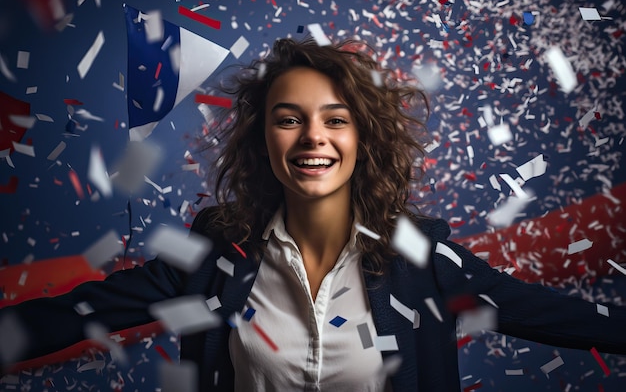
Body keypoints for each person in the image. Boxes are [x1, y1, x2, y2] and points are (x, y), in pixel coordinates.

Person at [1, 36, 625, 392]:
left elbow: (558, 316)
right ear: (263, 139)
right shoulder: (214, 256)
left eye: (335, 119)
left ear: (363, 138)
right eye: (289, 118)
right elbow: (72, 316)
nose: (312, 138)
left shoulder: (424, 260)